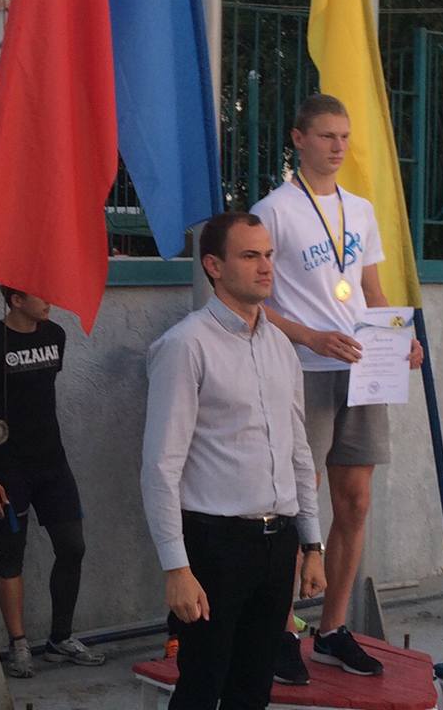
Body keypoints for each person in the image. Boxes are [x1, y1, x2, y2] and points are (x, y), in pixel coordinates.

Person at [250, 93, 423, 683]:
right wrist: (310, 337)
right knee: (296, 503)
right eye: (327, 136)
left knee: (356, 501)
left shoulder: (361, 209)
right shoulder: (273, 211)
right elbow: (252, 300)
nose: (338, 146)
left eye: (344, 136)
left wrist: (399, 340)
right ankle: (278, 631)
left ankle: (331, 629)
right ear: (299, 139)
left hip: (362, 370)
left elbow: (371, 291)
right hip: (303, 370)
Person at [141, 211, 326, 709]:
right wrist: (176, 568)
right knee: (201, 688)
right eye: (249, 255)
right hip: (214, 545)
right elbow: (161, 466)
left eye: (268, 255)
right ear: (214, 266)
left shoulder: (281, 347)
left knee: (254, 690)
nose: (265, 267)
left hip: (277, 543)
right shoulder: (185, 346)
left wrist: (312, 544)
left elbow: (299, 451)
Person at [0, 288, 105, 678]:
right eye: (38, 293)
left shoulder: (55, 335)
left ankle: (60, 638)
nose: (48, 299)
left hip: (52, 462)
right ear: (16, 300)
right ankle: (18, 644)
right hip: (8, 467)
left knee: (72, 546)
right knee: (10, 553)